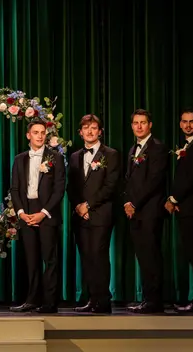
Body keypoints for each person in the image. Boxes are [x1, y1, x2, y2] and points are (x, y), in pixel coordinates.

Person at [9, 119, 66, 313]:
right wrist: (21, 213)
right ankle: (32, 300)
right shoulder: (19, 159)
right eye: (36, 132)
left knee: (49, 260)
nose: (40, 136)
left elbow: (59, 189)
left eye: (42, 132)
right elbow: (15, 189)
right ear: (28, 135)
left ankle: (50, 303)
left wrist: (43, 213)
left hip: (47, 213)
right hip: (26, 211)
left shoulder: (55, 158)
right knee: (31, 260)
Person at [67, 114, 120, 314]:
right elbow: (71, 186)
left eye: (94, 128)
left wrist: (88, 206)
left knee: (99, 256)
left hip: (100, 214)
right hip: (80, 216)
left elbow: (110, 186)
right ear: (80, 132)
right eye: (86, 128)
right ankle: (92, 299)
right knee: (87, 257)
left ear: (100, 131)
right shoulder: (74, 156)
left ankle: (103, 300)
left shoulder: (111, 154)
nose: (90, 131)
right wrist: (78, 207)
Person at [164, 109, 193, 313]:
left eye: (192, 121)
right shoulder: (188, 145)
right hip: (186, 207)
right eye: (184, 121)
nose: (188, 125)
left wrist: (174, 198)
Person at [123, 109, 169, 314]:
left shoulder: (158, 148)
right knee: (142, 256)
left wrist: (134, 203)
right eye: (136, 123)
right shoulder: (133, 149)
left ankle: (154, 301)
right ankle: (147, 299)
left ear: (150, 125)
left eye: (143, 122)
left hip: (150, 210)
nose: (139, 126)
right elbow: (128, 179)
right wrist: (127, 202)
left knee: (151, 256)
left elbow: (154, 181)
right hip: (134, 212)